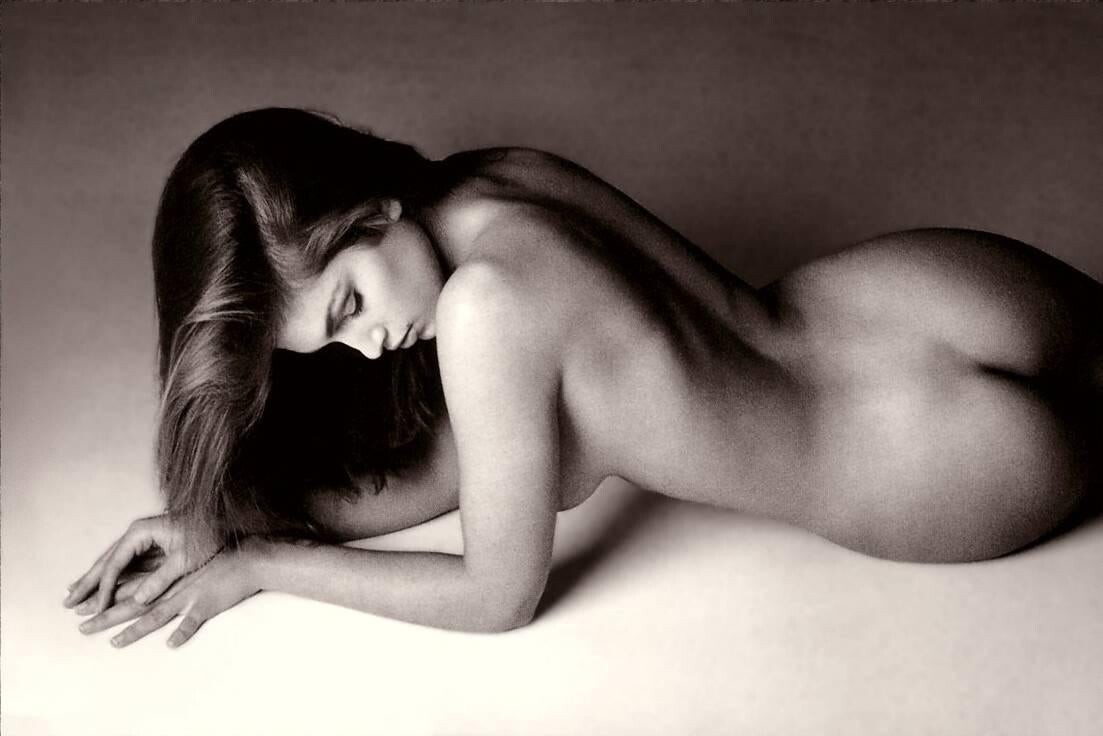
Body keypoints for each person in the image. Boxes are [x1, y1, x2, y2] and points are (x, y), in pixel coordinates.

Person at [64, 108, 1103, 648]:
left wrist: (263, 565)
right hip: (924, 289)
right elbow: (469, 463)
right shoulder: (499, 176)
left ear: (370, 214)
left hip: (919, 466)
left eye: (347, 307)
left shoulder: (485, 315)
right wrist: (222, 519)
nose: (368, 344)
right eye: (330, 345)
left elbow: (495, 596)